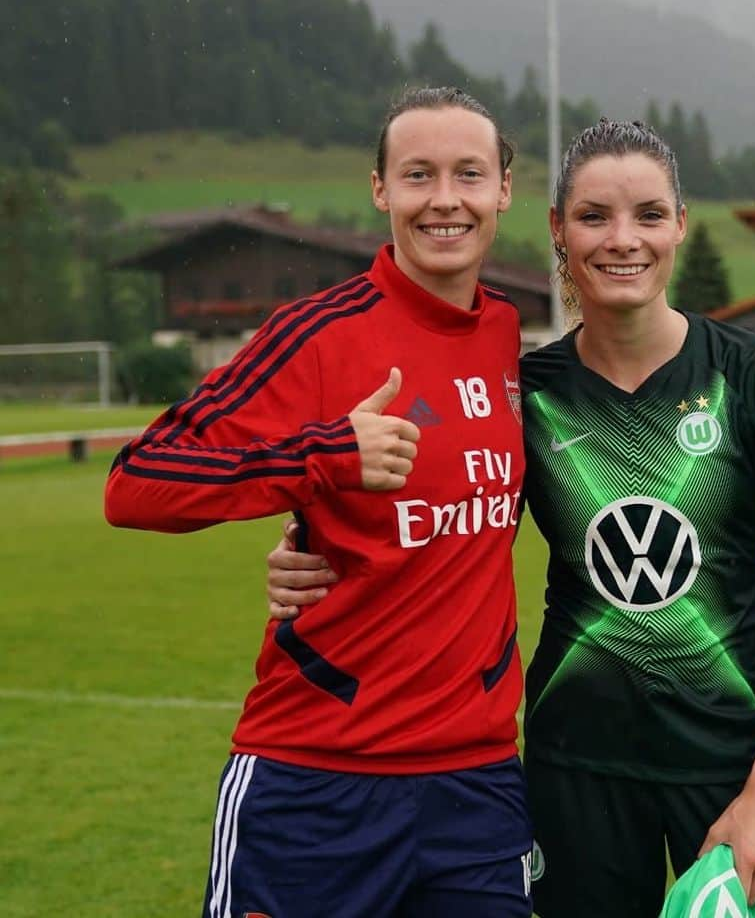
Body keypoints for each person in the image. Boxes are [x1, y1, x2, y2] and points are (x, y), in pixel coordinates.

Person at [269, 119, 755, 918]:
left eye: (648, 215)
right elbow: (443, 518)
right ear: (558, 231)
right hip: (574, 769)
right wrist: (308, 546)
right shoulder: (523, 389)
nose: (623, 241)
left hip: (733, 766)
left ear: (681, 223)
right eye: (594, 217)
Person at [105, 87, 534, 918]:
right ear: (381, 190)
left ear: (504, 189)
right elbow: (137, 480)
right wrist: (321, 457)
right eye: (418, 175)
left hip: (478, 789)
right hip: (317, 780)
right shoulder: (321, 334)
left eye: (468, 174)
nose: (444, 199)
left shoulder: (509, 334)